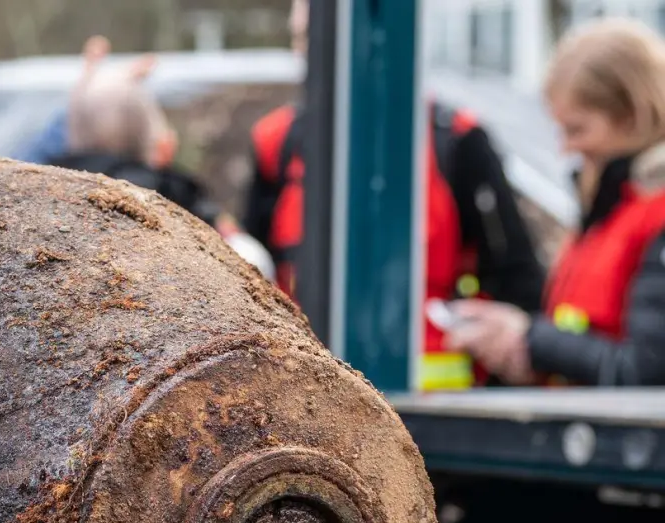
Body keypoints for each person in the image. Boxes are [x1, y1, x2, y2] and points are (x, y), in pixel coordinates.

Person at [243, 0, 545, 391]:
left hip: (435, 407)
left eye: (319, 37)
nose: (312, 51)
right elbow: (252, 273)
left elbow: (517, 280)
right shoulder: (276, 141)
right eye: (303, 37)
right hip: (303, 397)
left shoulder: (457, 141)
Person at [443, 19, 665, 387]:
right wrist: (526, 352)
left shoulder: (650, 213)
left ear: (631, 116)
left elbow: (644, 370)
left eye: (577, 129)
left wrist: (531, 337)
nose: (565, 147)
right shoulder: (608, 213)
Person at [42, 39, 276, 279]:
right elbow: (253, 260)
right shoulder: (170, 197)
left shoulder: (48, 196)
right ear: (163, 147)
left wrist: (93, 90)